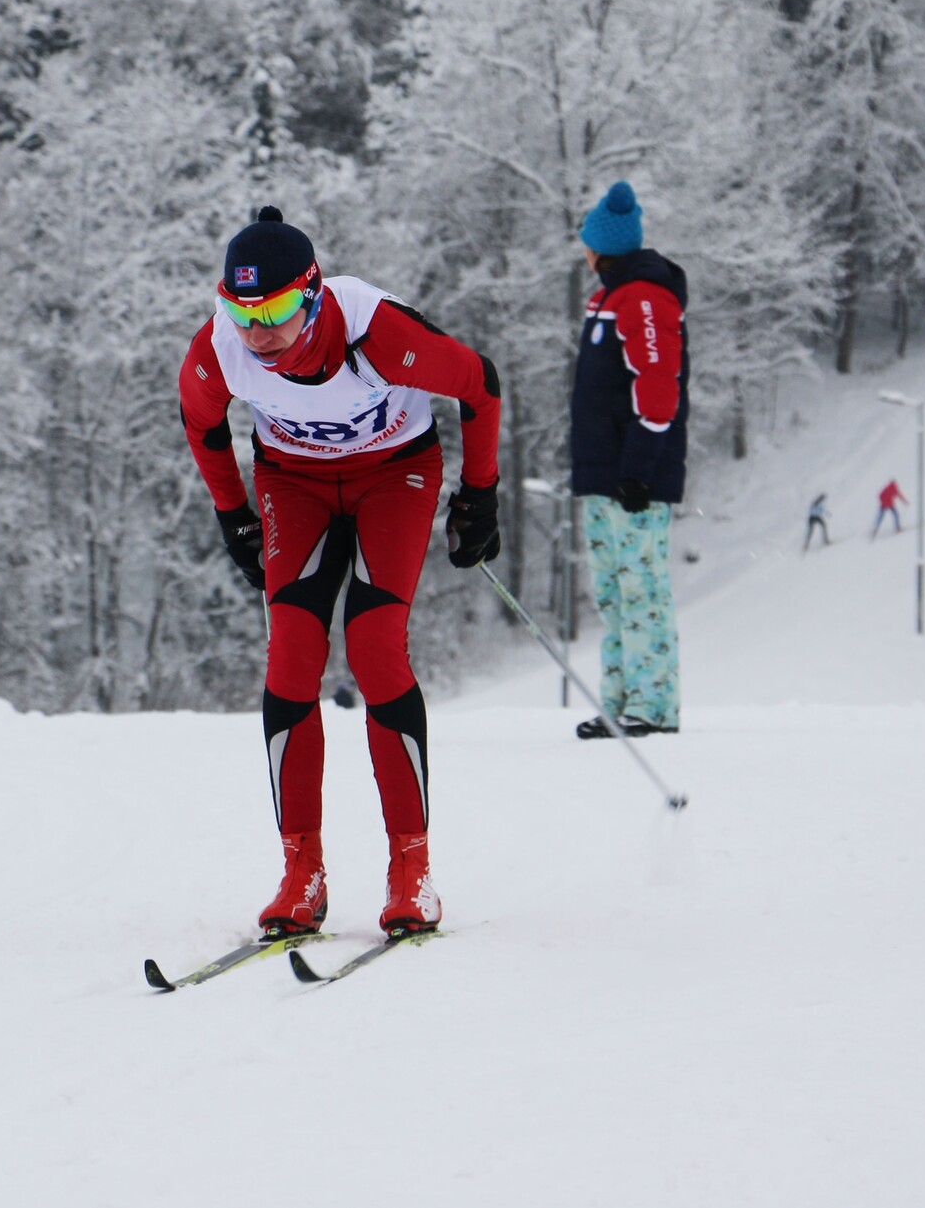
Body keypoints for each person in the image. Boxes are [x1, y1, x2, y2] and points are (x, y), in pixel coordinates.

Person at [177, 206, 503, 938]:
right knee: (291, 649)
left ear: (314, 293)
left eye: (279, 312)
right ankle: (302, 871)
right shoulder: (222, 347)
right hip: (293, 483)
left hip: (395, 474)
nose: (258, 333)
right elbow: (199, 419)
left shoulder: (376, 331)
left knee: (375, 641)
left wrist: (481, 494)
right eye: (241, 311)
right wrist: (232, 510)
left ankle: (410, 868)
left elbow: (480, 385)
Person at [567, 181, 688, 740]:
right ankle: (622, 701)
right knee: (614, 589)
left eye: (587, 242)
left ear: (602, 247)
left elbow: (657, 385)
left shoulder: (643, 297)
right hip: (604, 474)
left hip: (632, 477)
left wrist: (638, 467)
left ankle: (653, 705)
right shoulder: (609, 298)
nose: (583, 251)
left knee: (640, 587)